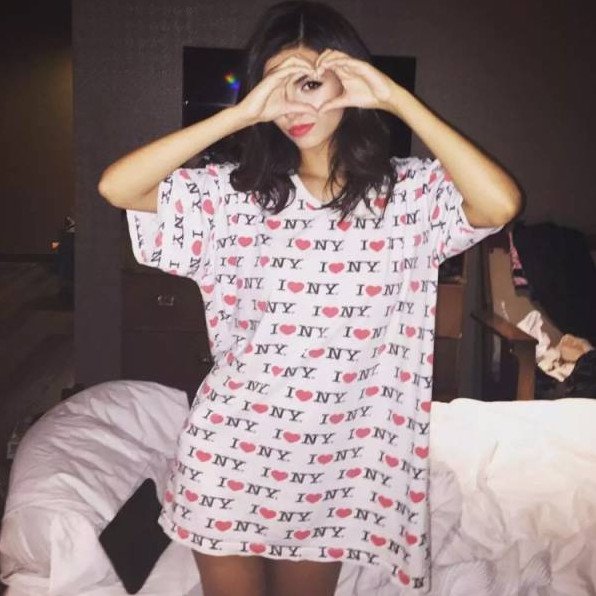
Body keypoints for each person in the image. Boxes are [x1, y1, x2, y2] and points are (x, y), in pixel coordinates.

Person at [98, 1, 521, 594]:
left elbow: (500, 204)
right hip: (231, 453)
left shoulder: (408, 196)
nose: (293, 105)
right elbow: (117, 187)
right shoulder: (237, 195)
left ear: (348, 78)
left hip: (334, 468)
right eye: (277, 85)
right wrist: (240, 113)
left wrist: (397, 99)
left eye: (309, 83)